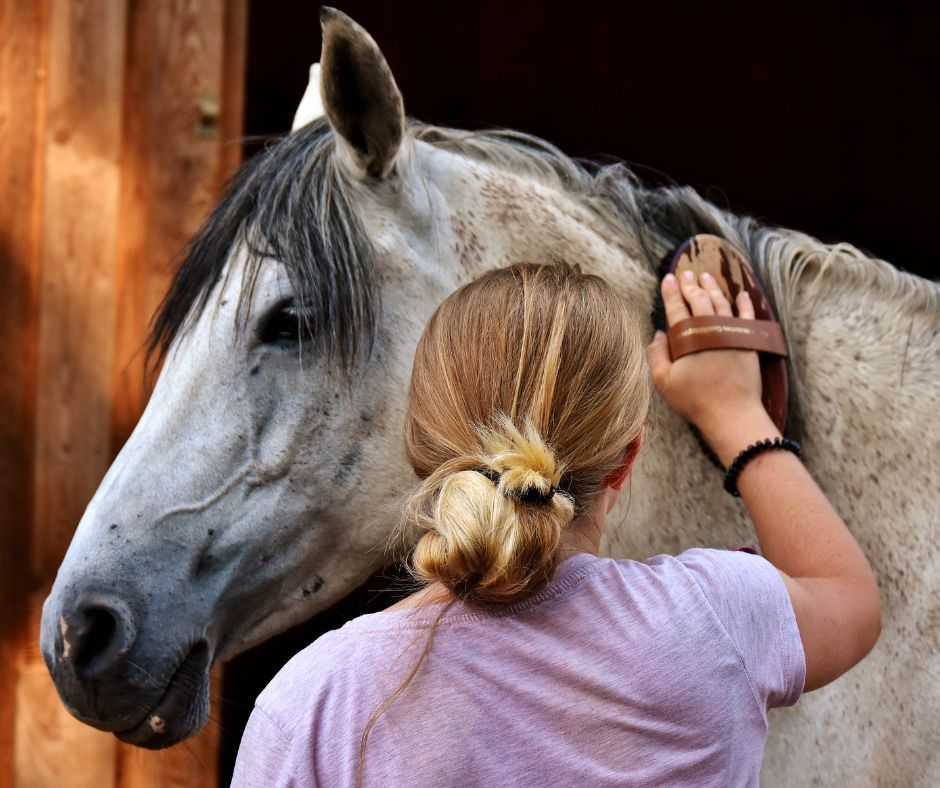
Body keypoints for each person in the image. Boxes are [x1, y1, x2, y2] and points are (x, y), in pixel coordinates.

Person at [232, 261, 881, 787]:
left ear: (420, 453)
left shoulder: (313, 707)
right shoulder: (714, 618)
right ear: (626, 461)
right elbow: (848, 598)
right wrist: (736, 412)